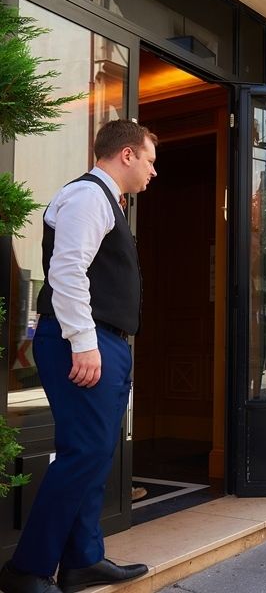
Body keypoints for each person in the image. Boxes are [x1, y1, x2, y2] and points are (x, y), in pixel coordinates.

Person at [0, 120, 158, 593]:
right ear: (127, 155)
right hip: (83, 340)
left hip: (105, 340)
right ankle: (26, 570)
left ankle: (83, 560)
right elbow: (68, 271)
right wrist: (85, 342)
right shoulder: (89, 196)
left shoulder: (107, 201)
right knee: (85, 452)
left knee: (94, 452)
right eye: (149, 160)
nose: (153, 171)